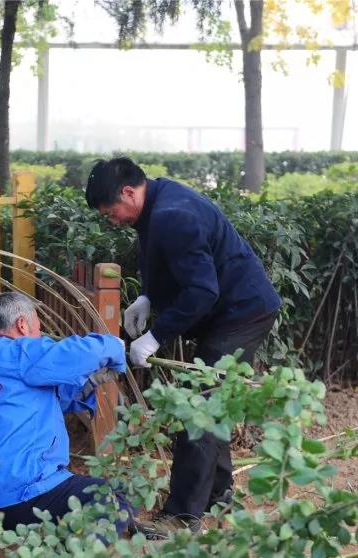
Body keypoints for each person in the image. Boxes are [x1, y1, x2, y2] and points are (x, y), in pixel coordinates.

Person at [85, 157, 281, 538]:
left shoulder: (174, 215)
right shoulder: (156, 203)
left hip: (242, 313)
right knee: (211, 400)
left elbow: (202, 291)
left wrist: (156, 336)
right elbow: (165, 261)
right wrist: (146, 297)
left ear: (128, 192)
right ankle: (218, 495)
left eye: (112, 212)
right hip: (231, 310)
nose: (113, 220)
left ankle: (181, 517)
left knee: (198, 407)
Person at [0, 292, 133, 534]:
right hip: (20, 498)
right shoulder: (19, 351)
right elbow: (80, 353)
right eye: (39, 329)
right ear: (22, 324)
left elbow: (41, 403)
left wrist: (90, 382)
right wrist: (115, 345)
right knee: (111, 499)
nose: (41, 337)